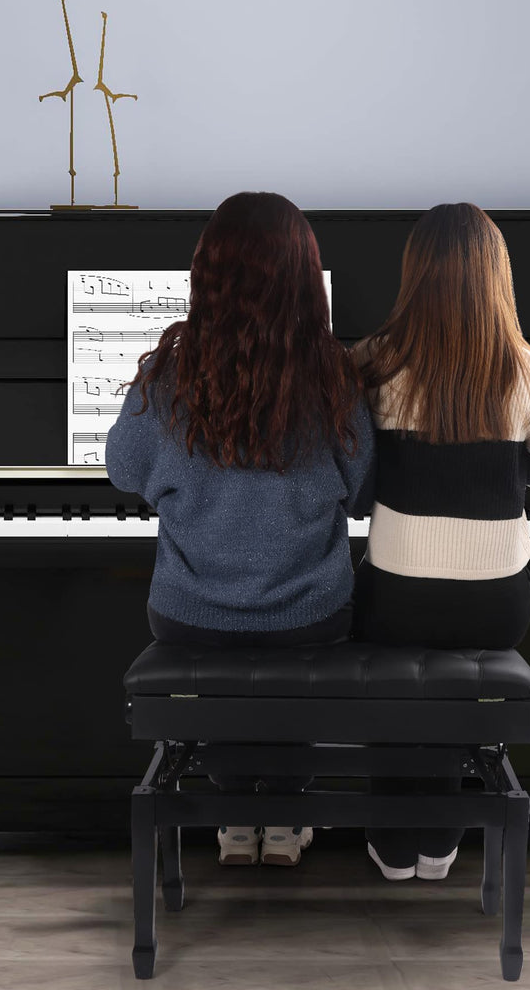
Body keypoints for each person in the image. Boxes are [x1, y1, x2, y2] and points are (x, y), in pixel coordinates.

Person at [107, 191, 374, 866]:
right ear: (304, 279)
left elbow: (123, 469)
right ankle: (285, 807)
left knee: (220, 660)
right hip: (308, 614)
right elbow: (363, 487)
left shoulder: (169, 371)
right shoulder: (333, 373)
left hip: (191, 615)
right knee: (307, 643)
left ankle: (231, 804)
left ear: (207, 274)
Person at [351, 202, 530, 881]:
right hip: (497, 604)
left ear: (415, 275)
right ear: (495, 277)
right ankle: (443, 839)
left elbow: (356, 493)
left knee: (388, 667)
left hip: (399, 598)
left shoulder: (373, 364)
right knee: (455, 686)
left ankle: (392, 845)